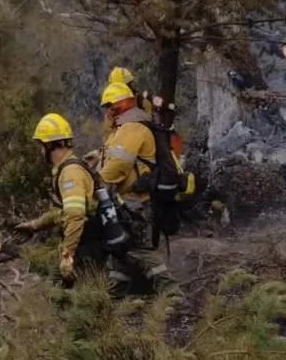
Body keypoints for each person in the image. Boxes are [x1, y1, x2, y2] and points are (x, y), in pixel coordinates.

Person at [98, 81, 177, 296]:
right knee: (120, 252)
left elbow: (119, 165)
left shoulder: (132, 127)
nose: (106, 112)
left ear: (117, 106)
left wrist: (95, 185)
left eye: (108, 106)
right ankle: (114, 296)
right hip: (128, 201)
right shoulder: (127, 127)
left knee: (139, 249)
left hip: (133, 202)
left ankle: (173, 294)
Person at [15, 113, 105, 286]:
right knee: (57, 289)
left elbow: (75, 216)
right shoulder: (67, 168)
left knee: (62, 289)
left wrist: (68, 256)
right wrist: (35, 225)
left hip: (86, 245)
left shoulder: (70, 173)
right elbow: (60, 212)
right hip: (84, 241)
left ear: (50, 145)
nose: (41, 151)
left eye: (42, 146)